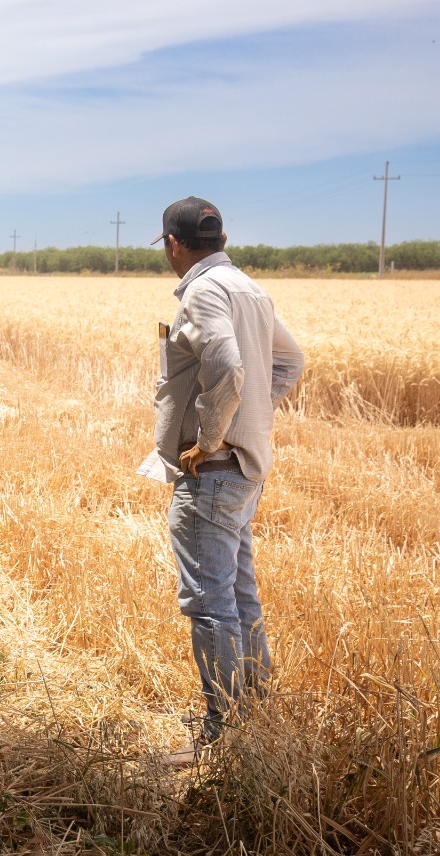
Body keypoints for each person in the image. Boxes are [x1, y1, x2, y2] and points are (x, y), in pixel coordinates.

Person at [138, 197, 304, 761]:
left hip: (213, 471)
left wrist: (211, 436)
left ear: (174, 244)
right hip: (244, 469)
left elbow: (231, 369)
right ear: (222, 236)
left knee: (209, 603)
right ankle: (253, 708)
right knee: (238, 592)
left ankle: (222, 733)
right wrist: (250, 414)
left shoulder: (205, 290)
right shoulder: (249, 287)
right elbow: (291, 362)